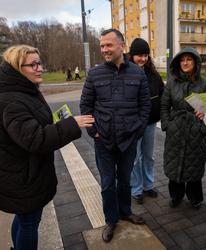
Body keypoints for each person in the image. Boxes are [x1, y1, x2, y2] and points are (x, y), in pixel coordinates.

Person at [0, 45, 94, 250]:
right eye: (32, 65)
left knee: (24, 219)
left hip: (25, 172)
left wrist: (54, 123)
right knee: (29, 222)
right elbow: (35, 139)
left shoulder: (24, 91)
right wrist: (72, 124)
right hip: (24, 176)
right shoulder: (13, 100)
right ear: (17, 68)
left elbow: (31, 128)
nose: (39, 68)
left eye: (39, 63)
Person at [80, 29, 151, 243]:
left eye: (108, 45)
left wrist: (138, 130)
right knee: (108, 183)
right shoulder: (94, 74)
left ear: (122, 46)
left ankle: (126, 211)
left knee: (126, 180)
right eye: (102, 46)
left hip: (129, 140)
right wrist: (95, 132)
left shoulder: (138, 73)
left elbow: (145, 105)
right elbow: (86, 105)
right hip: (104, 141)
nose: (104, 50)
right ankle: (111, 220)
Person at [161, 47, 206, 209]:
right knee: (174, 164)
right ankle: (176, 195)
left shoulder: (204, 83)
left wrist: (202, 127)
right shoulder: (171, 82)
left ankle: (195, 197)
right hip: (175, 130)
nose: (185, 63)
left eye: (189, 59)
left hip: (195, 131)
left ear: (196, 62)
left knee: (194, 166)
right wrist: (167, 125)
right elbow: (164, 105)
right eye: (182, 60)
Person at [128, 38, 164, 204]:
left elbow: (162, 95)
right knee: (135, 158)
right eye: (138, 55)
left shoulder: (154, 75)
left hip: (150, 123)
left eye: (145, 55)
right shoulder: (125, 73)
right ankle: (136, 189)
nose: (142, 59)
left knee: (148, 156)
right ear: (131, 55)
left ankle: (148, 185)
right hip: (133, 125)